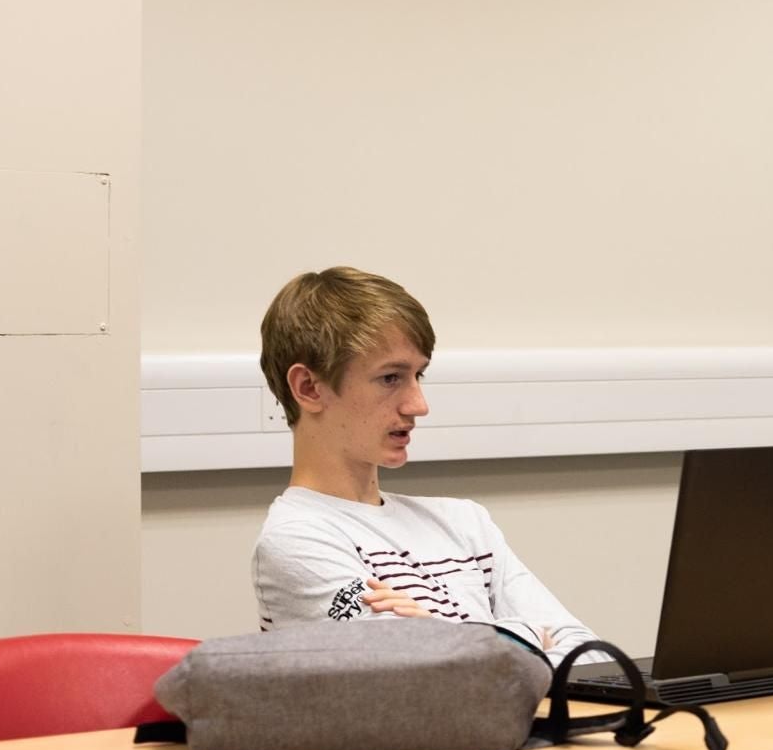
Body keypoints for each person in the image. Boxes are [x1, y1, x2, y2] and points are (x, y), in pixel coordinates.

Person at [252, 266, 595, 661]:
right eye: (390, 378)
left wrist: (444, 635)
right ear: (309, 388)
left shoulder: (464, 522)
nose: (419, 405)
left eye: (419, 375)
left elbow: (589, 657)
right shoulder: (296, 541)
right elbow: (421, 680)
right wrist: (528, 635)